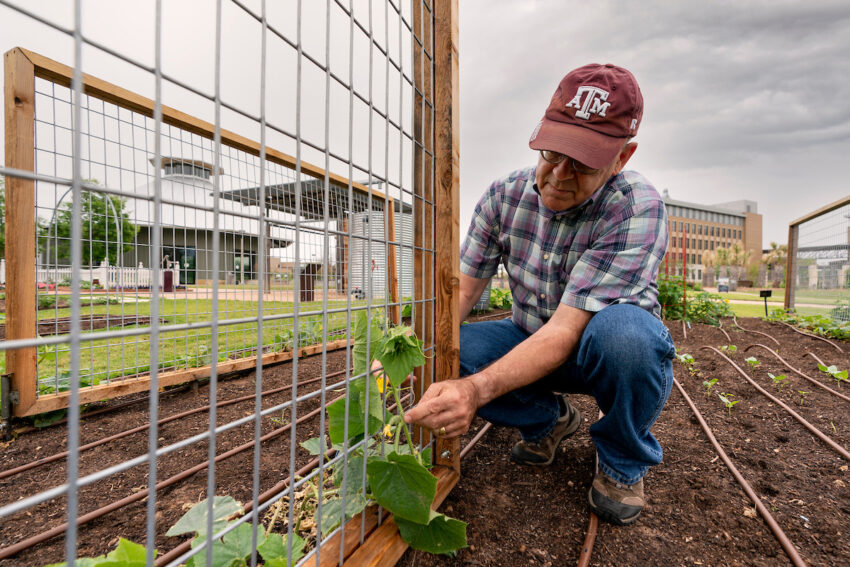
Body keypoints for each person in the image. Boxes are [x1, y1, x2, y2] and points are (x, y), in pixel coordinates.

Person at [403, 63, 675, 526]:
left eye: (584, 163)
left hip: (597, 347)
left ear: (622, 158)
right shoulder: (503, 197)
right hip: (528, 335)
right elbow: (462, 292)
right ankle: (550, 420)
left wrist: (475, 391)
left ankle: (621, 462)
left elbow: (569, 330)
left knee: (631, 340)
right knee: (451, 354)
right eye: (552, 153)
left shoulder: (635, 207)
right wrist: (408, 350)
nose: (559, 175)